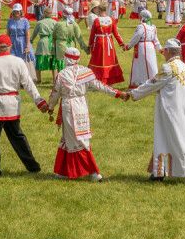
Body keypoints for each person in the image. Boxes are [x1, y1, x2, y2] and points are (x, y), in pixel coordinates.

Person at [46, 45, 129, 181]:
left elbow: (55, 93)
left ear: (66, 59)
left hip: (68, 107)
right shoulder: (86, 72)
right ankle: (63, 171)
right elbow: (101, 86)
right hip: (82, 107)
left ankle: (93, 172)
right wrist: (118, 93)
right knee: (74, 137)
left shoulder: (61, 74)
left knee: (77, 139)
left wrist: (50, 107)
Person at [128, 38, 185, 182]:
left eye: (165, 50)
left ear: (169, 51)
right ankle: (160, 172)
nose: (163, 53)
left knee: (173, 140)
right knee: (177, 139)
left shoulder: (168, 68)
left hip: (170, 111)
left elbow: (151, 84)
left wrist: (133, 94)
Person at [0, 34, 49, 176]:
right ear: (11, 46)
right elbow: (28, 84)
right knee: (17, 136)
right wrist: (39, 101)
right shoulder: (19, 62)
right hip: (13, 105)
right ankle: (32, 166)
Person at [86, 4, 125, 86]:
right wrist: (121, 44)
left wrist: (90, 45)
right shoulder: (111, 20)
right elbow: (116, 34)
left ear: (99, 11)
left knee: (98, 60)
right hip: (109, 43)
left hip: (99, 43)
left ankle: (98, 80)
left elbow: (92, 34)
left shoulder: (97, 20)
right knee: (109, 60)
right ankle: (109, 80)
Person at [126, 10, 160, 89]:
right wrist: (159, 48)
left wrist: (128, 46)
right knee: (151, 64)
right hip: (151, 47)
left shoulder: (141, 26)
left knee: (141, 64)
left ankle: (142, 82)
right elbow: (156, 39)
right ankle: (153, 81)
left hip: (142, 47)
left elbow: (136, 37)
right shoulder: (153, 27)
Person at [51, 10, 82, 75]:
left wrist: (54, 46)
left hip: (60, 46)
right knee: (71, 62)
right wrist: (86, 49)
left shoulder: (58, 24)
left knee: (61, 63)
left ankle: (62, 79)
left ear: (63, 15)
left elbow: (53, 36)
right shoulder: (74, 24)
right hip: (71, 45)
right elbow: (79, 38)